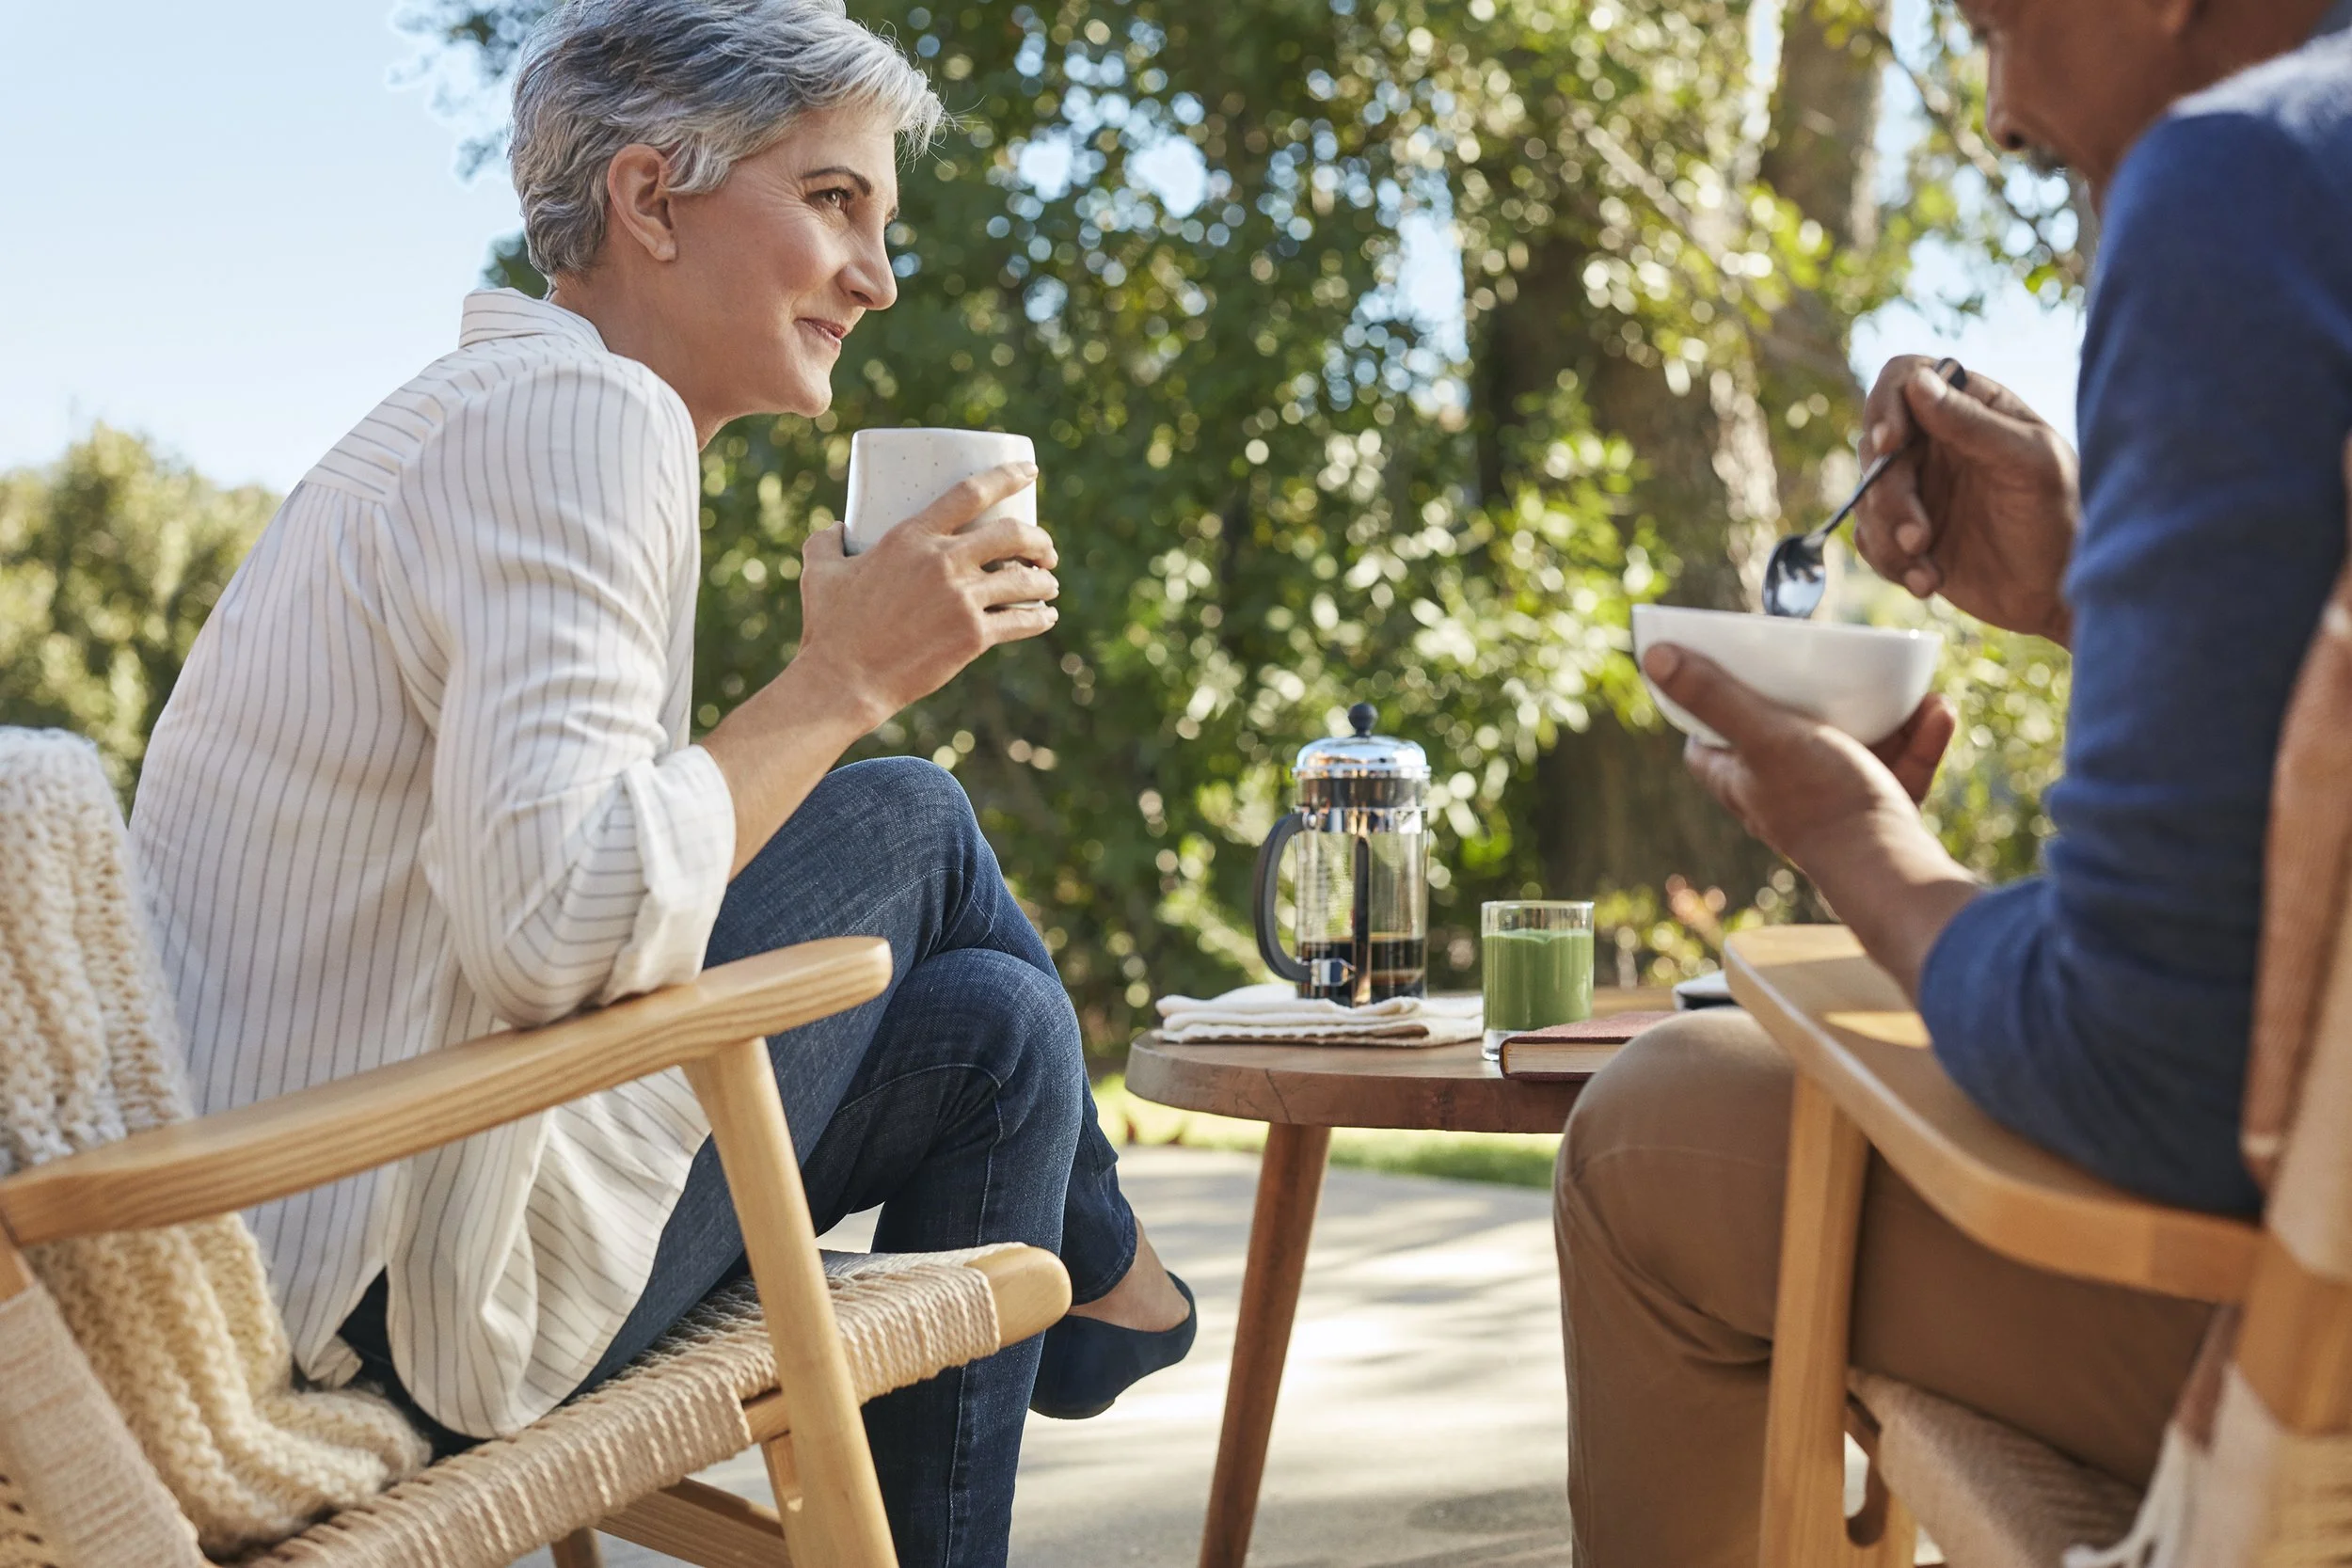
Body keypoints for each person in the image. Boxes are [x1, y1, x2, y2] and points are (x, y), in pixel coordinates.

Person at [126, 3, 1192, 1562]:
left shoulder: (484, 415)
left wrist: (837, 690)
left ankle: (1110, 1282)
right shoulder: (582, 414)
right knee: (913, 812)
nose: (879, 278)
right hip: (372, 1295)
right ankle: (1118, 1278)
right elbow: (553, 926)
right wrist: (843, 680)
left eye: (882, 223)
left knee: (1000, 1030)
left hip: (322, 1225)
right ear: (649, 200)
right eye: (835, 201)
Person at [1553, 0, 2352, 1561]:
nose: (1991, 106)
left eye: (1991, 21)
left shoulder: (2255, 182)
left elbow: (2144, 1070)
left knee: (1650, 1130)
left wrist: (1855, 835)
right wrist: (2086, 596)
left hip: (2311, 1381)